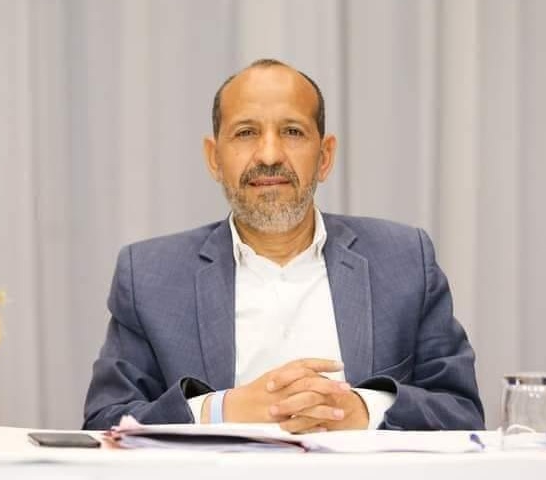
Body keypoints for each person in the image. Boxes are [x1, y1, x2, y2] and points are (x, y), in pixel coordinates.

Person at [83, 59, 485, 432]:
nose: (270, 155)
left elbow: (462, 413)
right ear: (214, 158)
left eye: (292, 131)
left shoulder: (404, 260)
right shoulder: (150, 276)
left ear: (324, 157)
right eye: (246, 133)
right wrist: (221, 410)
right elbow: (105, 424)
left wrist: (363, 410)